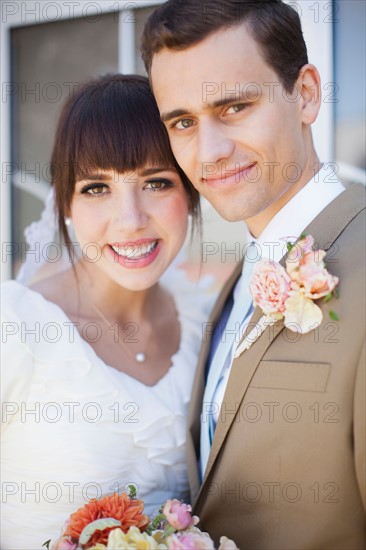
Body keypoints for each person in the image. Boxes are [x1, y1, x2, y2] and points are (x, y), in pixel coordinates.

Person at [141, 1, 366, 548]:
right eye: (184, 122)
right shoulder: (234, 286)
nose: (209, 151)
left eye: (235, 106)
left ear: (307, 94)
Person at [0, 74, 213, 549]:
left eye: (157, 182)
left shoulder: (205, 325)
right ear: (66, 201)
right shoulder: (15, 328)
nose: (131, 220)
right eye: (97, 188)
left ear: (191, 192)